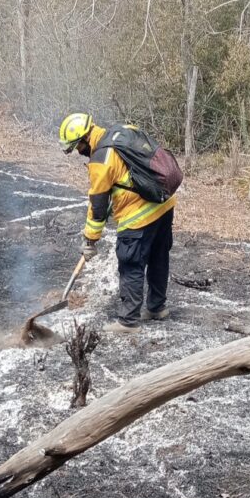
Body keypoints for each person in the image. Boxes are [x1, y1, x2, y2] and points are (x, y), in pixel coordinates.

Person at [59, 113, 176, 334]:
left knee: (131, 263)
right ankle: (156, 308)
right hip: (163, 203)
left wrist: (90, 240)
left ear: (84, 139)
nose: (78, 152)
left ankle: (128, 322)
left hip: (138, 215)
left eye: (77, 147)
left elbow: (98, 205)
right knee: (158, 257)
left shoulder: (100, 159)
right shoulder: (123, 130)